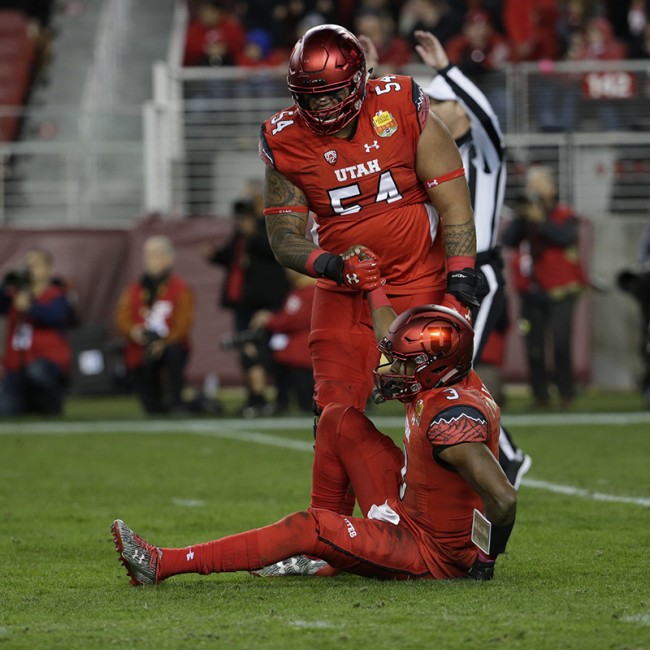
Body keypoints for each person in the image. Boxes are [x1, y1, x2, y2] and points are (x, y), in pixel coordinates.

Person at [111, 291, 517, 586]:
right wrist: (373, 283)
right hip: (414, 508)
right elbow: (391, 334)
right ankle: (313, 557)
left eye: (404, 364)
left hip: (428, 549)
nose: (391, 368)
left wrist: (483, 561)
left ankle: (163, 564)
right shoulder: (451, 375)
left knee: (311, 527)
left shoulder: (452, 417)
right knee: (337, 419)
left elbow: (503, 497)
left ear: (433, 368)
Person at [259, 24, 481, 431]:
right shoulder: (285, 139)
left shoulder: (401, 105)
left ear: (360, 80)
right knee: (333, 414)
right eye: (312, 94)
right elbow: (283, 239)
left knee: (448, 409)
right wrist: (333, 266)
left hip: (419, 278)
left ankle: (459, 494)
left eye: (333, 91)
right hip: (344, 289)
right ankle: (340, 500)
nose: (323, 105)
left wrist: (461, 285)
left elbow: (456, 210)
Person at [413, 30, 531, 486]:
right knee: (445, 373)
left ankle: (507, 458)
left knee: (457, 372)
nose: (431, 116)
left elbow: (488, 116)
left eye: (439, 106)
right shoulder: (436, 158)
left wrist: (448, 70)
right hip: (443, 273)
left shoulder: (485, 158)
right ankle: (503, 456)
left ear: (460, 110)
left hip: (477, 272)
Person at [502, 165, 587, 408]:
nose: (533, 190)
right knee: (534, 345)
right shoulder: (527, 215)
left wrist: (542, 221)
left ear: (551, 188)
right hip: (531, 291)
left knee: (561, 342)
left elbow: (566, 238)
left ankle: (566, 392)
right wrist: (522, 217)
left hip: (561, 290)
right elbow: (509, 240)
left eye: (537, 185)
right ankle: (540, 395)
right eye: (530, 185)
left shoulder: (564, 214)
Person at [203, 192, 290, 417]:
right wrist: (213, 255)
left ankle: (279, 398)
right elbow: (229, 256)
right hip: (243, 303)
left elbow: (278, 253)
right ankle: (254, 398)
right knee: (245, 349)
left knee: (269, 351)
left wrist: (255, 236)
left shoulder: (268, 228)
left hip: (265, 303)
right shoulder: (240, 234)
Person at [115, 236, 194, 415]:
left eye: (157, 254)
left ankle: (177, 401)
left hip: (169, 345)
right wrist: (133, 331)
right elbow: (122, 316)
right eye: (149, 255)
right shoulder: (134, 289)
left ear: (169, 258)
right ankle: (157, 401)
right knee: (152, 407)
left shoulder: (181, 289)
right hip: (140, 347)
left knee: (173, 351)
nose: (152, 259)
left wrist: (164, 342)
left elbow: (183, 324)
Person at [0, 248, 75, 415]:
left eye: (36, 265)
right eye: (28, 264)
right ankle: (31, 405)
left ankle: (52, 403)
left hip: (46, 361)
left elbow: (57, 316)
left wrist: (31, 307)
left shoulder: (56, 294)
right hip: (16, 365)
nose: (30, 268)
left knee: (37, 371)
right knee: (7, 410)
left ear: (48, 270)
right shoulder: (13, 295)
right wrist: (6, 282)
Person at [247, 270, 316, 414]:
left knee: (307, 404)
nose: (286, 271)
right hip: (296, 352)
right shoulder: (301, 291)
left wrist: (268, 319)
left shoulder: (306, 292)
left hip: (300, 353)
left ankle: (259, 400)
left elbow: (292, 320)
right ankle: (265, 400)